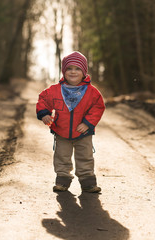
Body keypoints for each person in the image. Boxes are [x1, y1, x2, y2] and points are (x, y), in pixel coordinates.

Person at [36, 51, 105, 193]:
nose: (73, 72)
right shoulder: (55, 90)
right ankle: (62, 181)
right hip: (61, 131)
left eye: (77, 68)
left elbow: (98, 107)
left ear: (84, 71)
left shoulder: (92, 92)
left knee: (85, 157)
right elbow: (43, 99)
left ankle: (88, 183)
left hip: (83, 132)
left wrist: (87, 123)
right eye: (69, 68)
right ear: (63, 71)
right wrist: (45, 114)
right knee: (61, 157)